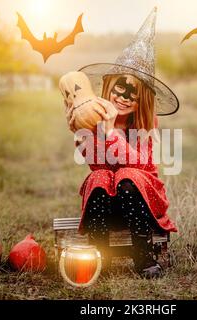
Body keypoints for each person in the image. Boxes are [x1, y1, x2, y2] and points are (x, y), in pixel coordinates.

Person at [64, 7, 179, 278]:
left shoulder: (146, 125)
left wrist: (113, 133)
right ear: (110, 86)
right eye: (120, 88)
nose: (125, 97)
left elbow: (141, 162)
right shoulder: (96, 120)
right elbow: (95, 164)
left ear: (143, 100)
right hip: (108, 207)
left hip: (141, 202)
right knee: (100, 177)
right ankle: (99, 252)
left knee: (127, 173)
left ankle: (143, 254)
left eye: (134, 94)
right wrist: (83, 134)